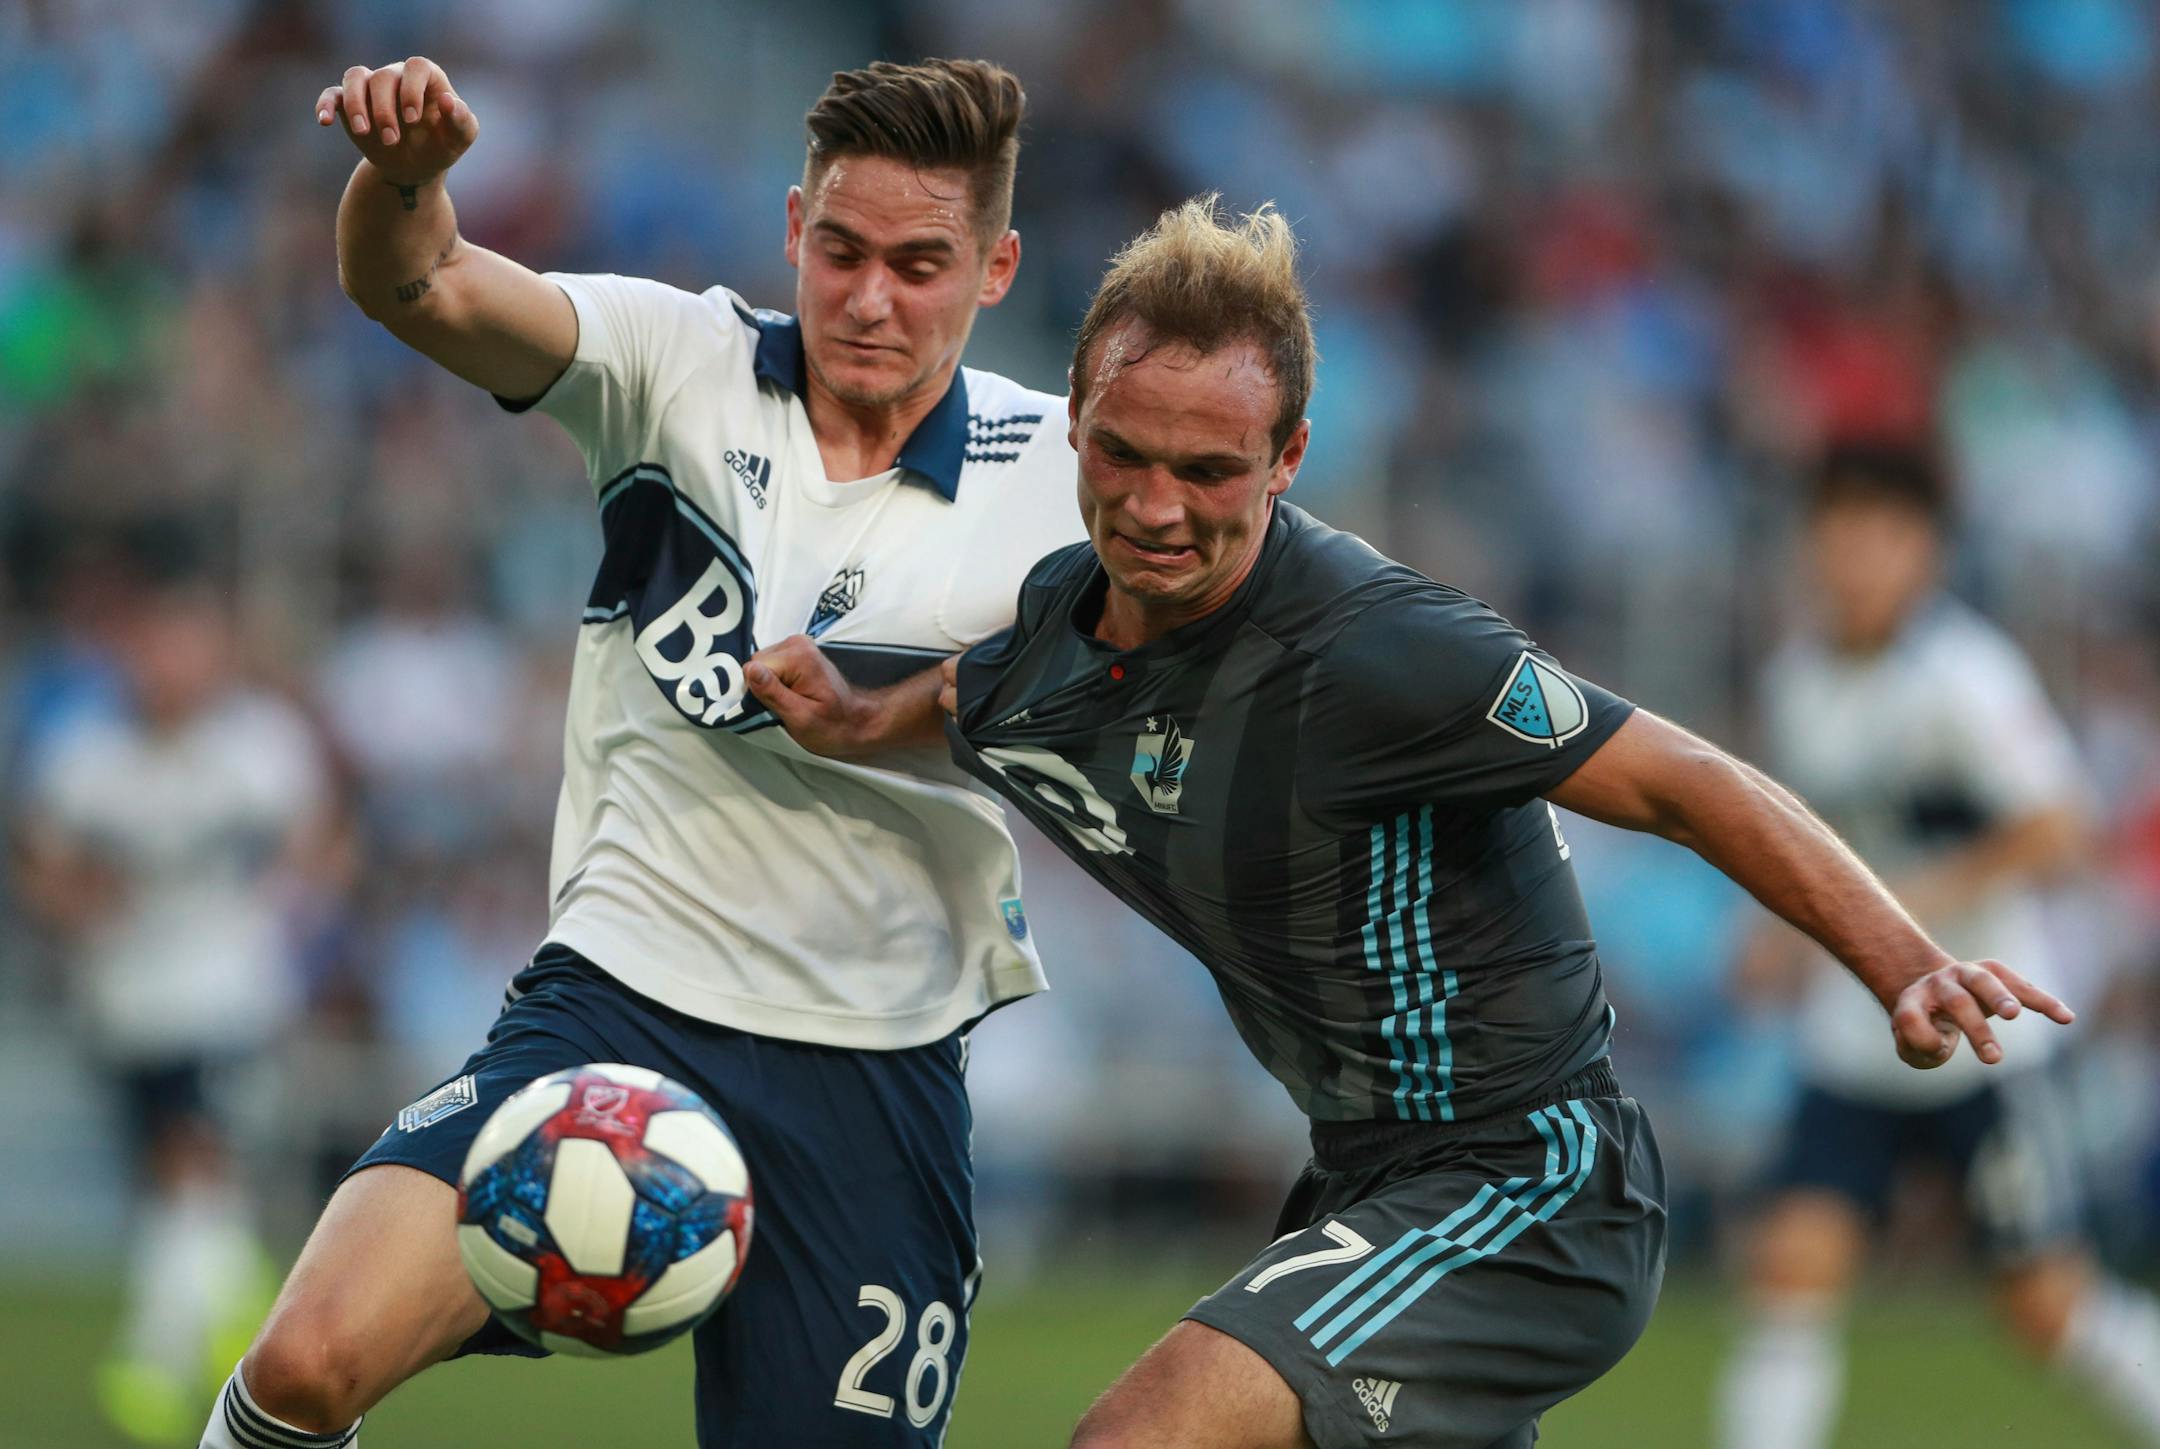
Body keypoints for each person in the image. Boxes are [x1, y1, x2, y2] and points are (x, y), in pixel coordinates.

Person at [925, 199, 2073, 1449]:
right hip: (1363, 1178)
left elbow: (1687, 780)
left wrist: (1903, 964)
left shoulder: (1385, 647)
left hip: (1525, 1181)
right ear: (1076, 429)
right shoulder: (1052, 637)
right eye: (1124, 455)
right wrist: (839, 704)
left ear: (1290, 455)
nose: (1154, 506)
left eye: (1208, 472)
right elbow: (959, 703)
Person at [198, 56, 1081, 1449]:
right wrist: (410, 174)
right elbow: (413, 283)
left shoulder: (1069, 474)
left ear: (997, 267)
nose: (868, 297)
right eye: (841, 250)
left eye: (922, 265)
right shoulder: (672, 358)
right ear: (794, 229)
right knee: (306, 1359)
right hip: (617, 1008)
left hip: (878, 1067)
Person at [1713, 446, 2160, 1449]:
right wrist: (1778, 934)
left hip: (1988, 1036)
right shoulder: (1801, 683)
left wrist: (1902, 906)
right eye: (1840, 532)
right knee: (1791, 1267)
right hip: (1855, 1035)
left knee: (2045, 1306)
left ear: (1927, 552)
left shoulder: (1966, 675)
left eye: (1883, 535)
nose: (1857, 557)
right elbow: (1807, 846)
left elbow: (2060, 827)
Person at [16, 538, 332, 1445]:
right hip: (123, 1000)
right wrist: (75, 902)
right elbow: (42, 860)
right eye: (154, 642)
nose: (170, 661)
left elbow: (316, 840)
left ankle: (152, 1362)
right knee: (177, 1183)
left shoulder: (256, 745)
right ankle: (235, 1297)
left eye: (188, 641)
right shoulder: (87, 754)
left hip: (228, 992)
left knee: (193, 1158)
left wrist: (290, 912)